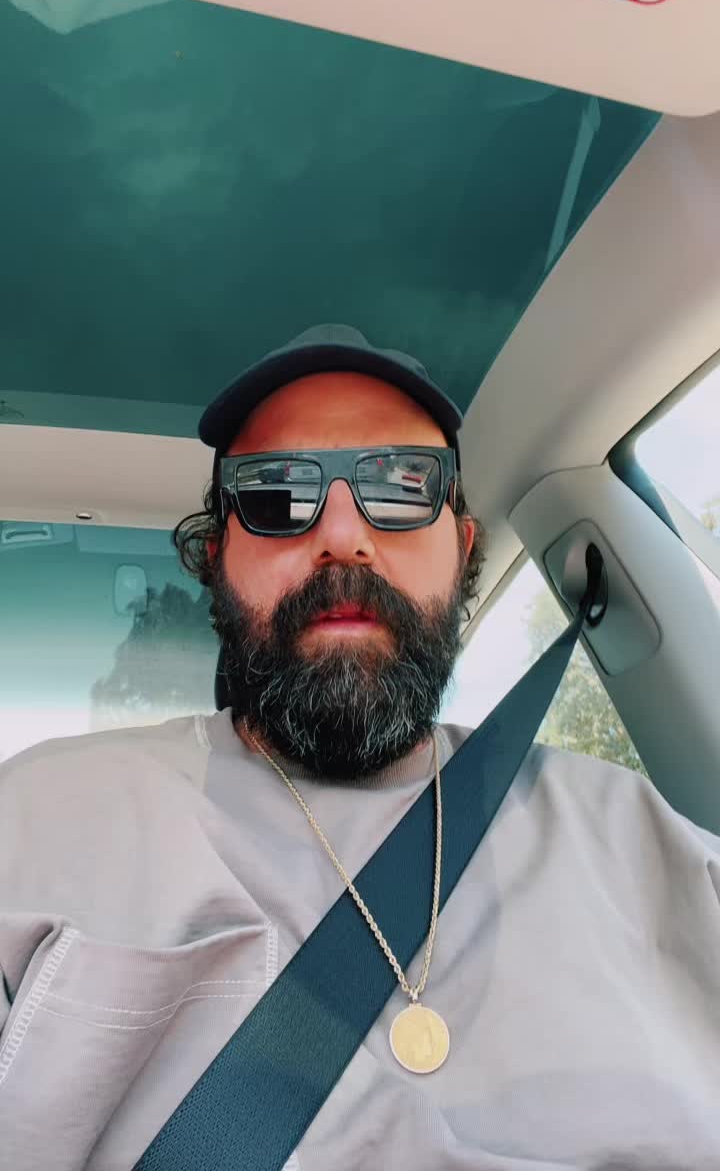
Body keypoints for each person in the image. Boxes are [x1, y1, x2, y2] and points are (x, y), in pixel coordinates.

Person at [1, 325, 719, 1170]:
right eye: (276, 494)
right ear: (216, 557)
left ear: (463, 546)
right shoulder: (39, 819)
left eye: (402, 484)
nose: (342, 535)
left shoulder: (638, 837)